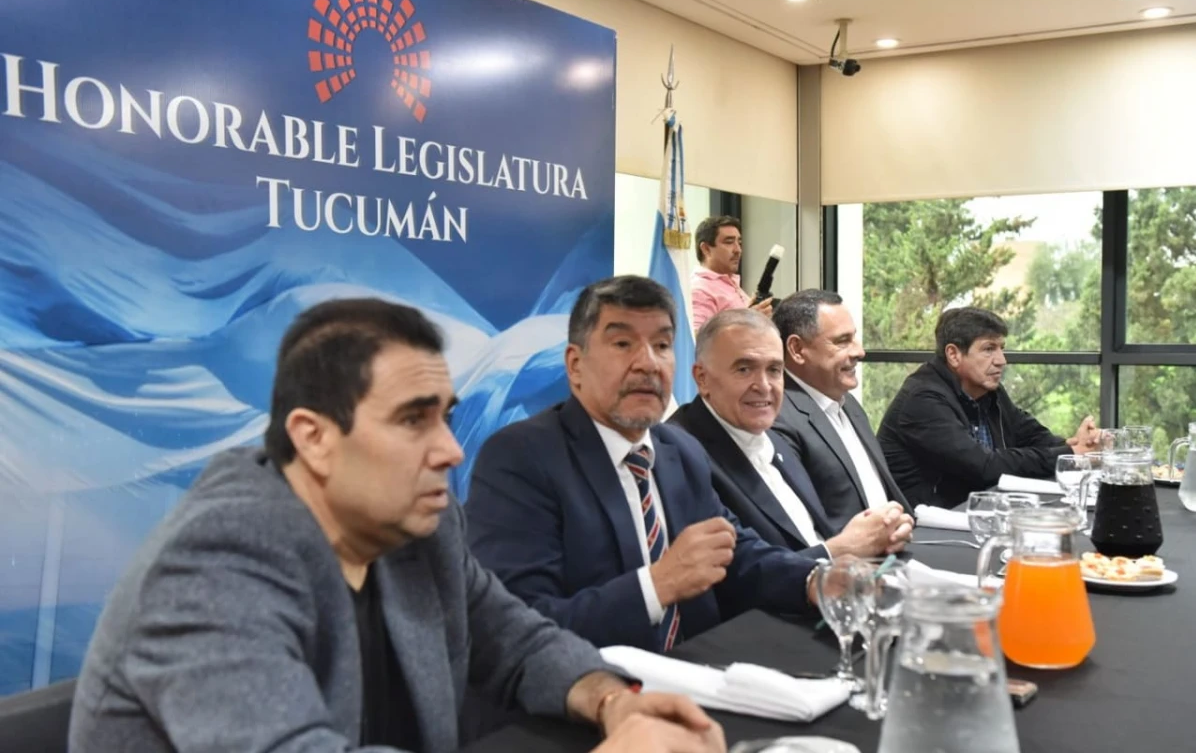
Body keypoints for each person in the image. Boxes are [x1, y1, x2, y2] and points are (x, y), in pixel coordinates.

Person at [68, 298, 724, 753]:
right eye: (414, 420)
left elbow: (519, 642)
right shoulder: (216, 561)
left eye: (445, 416)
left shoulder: (416, 526)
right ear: (314, 438)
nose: (451, 450)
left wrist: (613, 703)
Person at [467, 276, 822, 654]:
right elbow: (517, 628)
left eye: (663, 345)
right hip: (596, 693)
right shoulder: (520, 458)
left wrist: (819, 580)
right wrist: (657, 586)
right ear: (574, 365)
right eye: (623, 344)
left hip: (707, 675)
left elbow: (736, 554)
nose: (648, 364)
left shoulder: (680, 450)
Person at [670, 310, 913, 556]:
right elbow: (737, 576)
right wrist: (842, 550)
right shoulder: (678, 452)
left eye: (774, 370)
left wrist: (880, 534)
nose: (764, 386)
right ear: (702, 378)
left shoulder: (771, 437)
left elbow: (812, 535)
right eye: (744, 369)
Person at [877, 306, 1100, 508]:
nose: (1002, 360)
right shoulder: (923, 400)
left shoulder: (987, 390)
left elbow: (1030, 434)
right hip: (927, 528)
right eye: (989, 349)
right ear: (953, 355)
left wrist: (1075, 446)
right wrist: (1068, 454)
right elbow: (983, 466)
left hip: (978, 510)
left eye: (1001, 348)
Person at [770, 290, 913, 530]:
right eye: (842, 341)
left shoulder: (849, 404)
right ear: (796, 349)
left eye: (854, 338)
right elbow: (802, 528)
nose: (860, 352)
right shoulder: (778, 416)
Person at [690, 216, 773, 331]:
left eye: (739, 242)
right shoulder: (700, 289)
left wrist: (756, 314)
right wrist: (748, 320)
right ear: (706, 249)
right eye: (729, 242)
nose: (738, 250)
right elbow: (696, 340)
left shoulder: (729, 282)